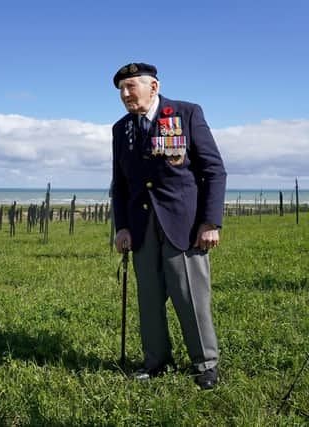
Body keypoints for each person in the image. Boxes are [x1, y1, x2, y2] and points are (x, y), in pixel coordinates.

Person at [111, 62, 226, 390]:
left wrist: (210, 221)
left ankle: (205, 364)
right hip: (141, 225)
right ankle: (156, 361)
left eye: (132, 86)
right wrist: (121, 227)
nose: (125, 94)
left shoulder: (187, 114)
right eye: (121, 89)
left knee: (189, 295)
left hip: (184, 224)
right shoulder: (122, 129)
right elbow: (119, 185)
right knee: (148, 298)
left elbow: (214, 171)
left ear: (154, 87)